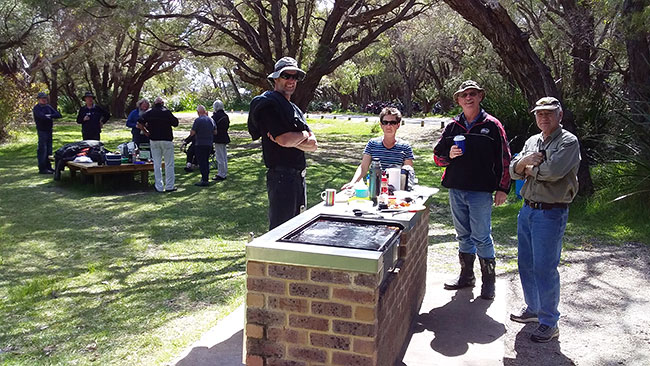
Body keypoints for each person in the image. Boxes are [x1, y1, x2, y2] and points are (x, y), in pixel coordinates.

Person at [509, 97, 580, 343]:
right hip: (527, 210)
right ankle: (533, 309)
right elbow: (512, 169)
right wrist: (525, 163)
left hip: (551, 212)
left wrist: (526, 168)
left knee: (545, 268)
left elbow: (552, 172)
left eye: (549, 113)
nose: (543, 118)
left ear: (559, 115)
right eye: (539, 114)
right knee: (526, 263)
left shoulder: (568, 141)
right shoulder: (532, 141)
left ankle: (549, 321)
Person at [433, 80, 511, 300]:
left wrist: (503, 188)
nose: (468, 98)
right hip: (456, 188)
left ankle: (489, 283)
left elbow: (504, 158)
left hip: (480, 191)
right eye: (464, 95)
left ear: (480, 97)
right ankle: (467, 276)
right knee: (463, 235)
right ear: (458, 100)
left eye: (473, 94)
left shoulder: (492, 125)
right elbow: (438, 158)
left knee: (482, 236)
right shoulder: (452, 126)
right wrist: (449, 156)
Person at [248, 56, 318, 230]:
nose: (291, 81)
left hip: (299, 177)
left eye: (295, 77)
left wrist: (296, 137)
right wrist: (301, 136)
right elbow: (283, 139)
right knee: (281, 230)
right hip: (281, 178)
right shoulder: (268, 105)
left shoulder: (294, 109)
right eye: (286, 76)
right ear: (276, 78)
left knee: (299, 228)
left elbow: (314, 144)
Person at [341, 107, 414, 190]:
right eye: (385, 122)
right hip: (374, 188)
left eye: (392, 122)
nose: (388, 126)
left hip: (396, 191)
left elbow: (408, 173)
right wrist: (353, 183)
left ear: (398, 125)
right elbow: (363, 168)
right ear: (381, 125)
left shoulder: (405, 147)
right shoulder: (372, 144)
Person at [139, 97, 179, 192]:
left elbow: (139, 123)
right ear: (162, 103)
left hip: (154, 140)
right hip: (166, 140)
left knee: (157, 164)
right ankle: (169, 186)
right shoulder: (167, 112)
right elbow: (176, 123)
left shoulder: (149, 112)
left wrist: (145, 132)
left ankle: (159, 186)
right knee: (169, 163)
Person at [182, 105, 216, 187]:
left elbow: (192, 133)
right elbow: (215, 132)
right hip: (209, 143)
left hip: (200, 143)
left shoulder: (197, 120)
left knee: (201, 162)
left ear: (198, 112)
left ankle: (204, 180)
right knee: (206, 160)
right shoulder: (211, 120)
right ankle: (206, 177)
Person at [32, 92, 62, 174]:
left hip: (49, 130)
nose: (44, 100)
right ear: (39, 99)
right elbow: (41, 117)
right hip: (42, 130)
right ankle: (42, 168)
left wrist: (49, 116)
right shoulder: (37, 108)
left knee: (49, 150)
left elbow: (58, 115)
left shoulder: (48, 107)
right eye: (42, 98)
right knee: (42, 149)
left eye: (45, 98)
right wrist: (50, 116)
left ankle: (48, 167)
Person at [211, 99, 230, 181]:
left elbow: (213, 127)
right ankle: (224, 172)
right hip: (225, 136)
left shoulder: (215, 117)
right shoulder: (225, 116)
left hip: (218, 137)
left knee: (219, 157)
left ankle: (221, 174)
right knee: (224, 155)